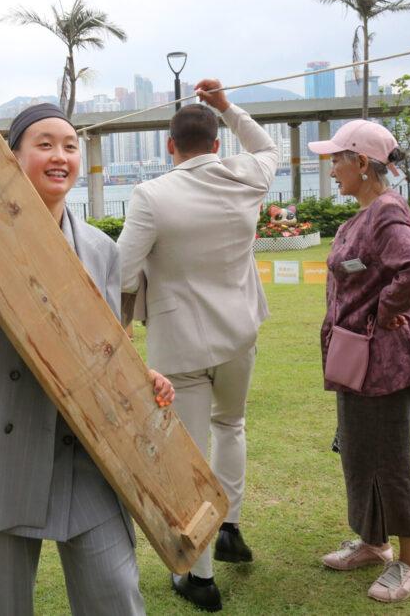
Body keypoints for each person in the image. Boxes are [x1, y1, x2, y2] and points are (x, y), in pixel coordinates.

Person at [0, 103, 175, 616]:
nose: (60, 155)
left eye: (69, 145)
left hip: (85, 458)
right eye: (44, 144)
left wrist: (138, 374)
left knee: (118, 599)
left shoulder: (102, 251)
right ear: (13, 159)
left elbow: (104, 347)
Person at [117, 79, 276, 611]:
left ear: (169, 145)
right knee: (231, 427)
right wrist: (227, 106)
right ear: (215, 144)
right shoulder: (246, 176)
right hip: (240, 330)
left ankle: (202, 576)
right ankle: (229, 526)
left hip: (178, 340)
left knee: (187, 454)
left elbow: (120, 274)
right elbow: (267, 148)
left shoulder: (151, 196)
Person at [309, 121, 410, 603]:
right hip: (354, 361)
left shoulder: (386, 213)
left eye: (337, 159)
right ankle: (372, 543)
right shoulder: (358, 217)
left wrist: (386, 311)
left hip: (384, 364)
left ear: (362, 163)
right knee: (360, 455)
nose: (332, 169)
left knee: (389, 460)